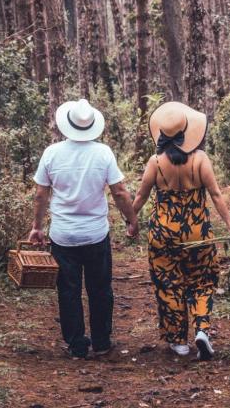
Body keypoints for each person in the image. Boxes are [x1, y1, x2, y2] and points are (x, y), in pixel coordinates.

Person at [132, 101, 230, 360]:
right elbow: (216, 195)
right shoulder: (200, 159)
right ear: (186, 133)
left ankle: (178, 341)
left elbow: (140, 196)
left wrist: (131, 221)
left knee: (168, 284)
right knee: (202, 281)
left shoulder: (155, 162)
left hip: (163, 234)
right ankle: (202, 330)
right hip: (198, 233)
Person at [28, 98, 138, 359]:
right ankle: (101, 342)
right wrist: (132, 220)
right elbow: (120, 192)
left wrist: (36, 227)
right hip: (95, 234)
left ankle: (77, 345)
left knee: (68, 290)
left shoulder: (52, 153)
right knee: (100, 289)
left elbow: (41, 195)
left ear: (67, 124)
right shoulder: (103, 153)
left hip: (63, 236)